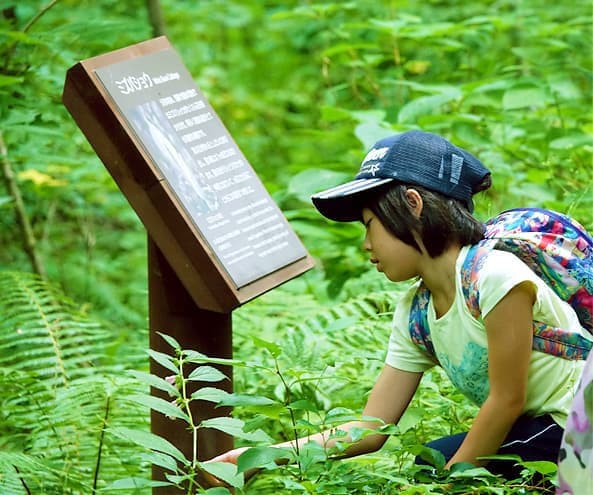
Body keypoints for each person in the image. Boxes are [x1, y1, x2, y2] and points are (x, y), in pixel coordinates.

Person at [207, 130, 591, 479]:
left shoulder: (494, 276)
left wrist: (452, 483)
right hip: (537, 429)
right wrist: (264, 455)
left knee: (440, 467)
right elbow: (371, 427)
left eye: (369, 223)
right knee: (431, 461)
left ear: (412, 204)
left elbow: (507, 400)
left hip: (577, 421)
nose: (366, 244)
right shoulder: (417, 313)